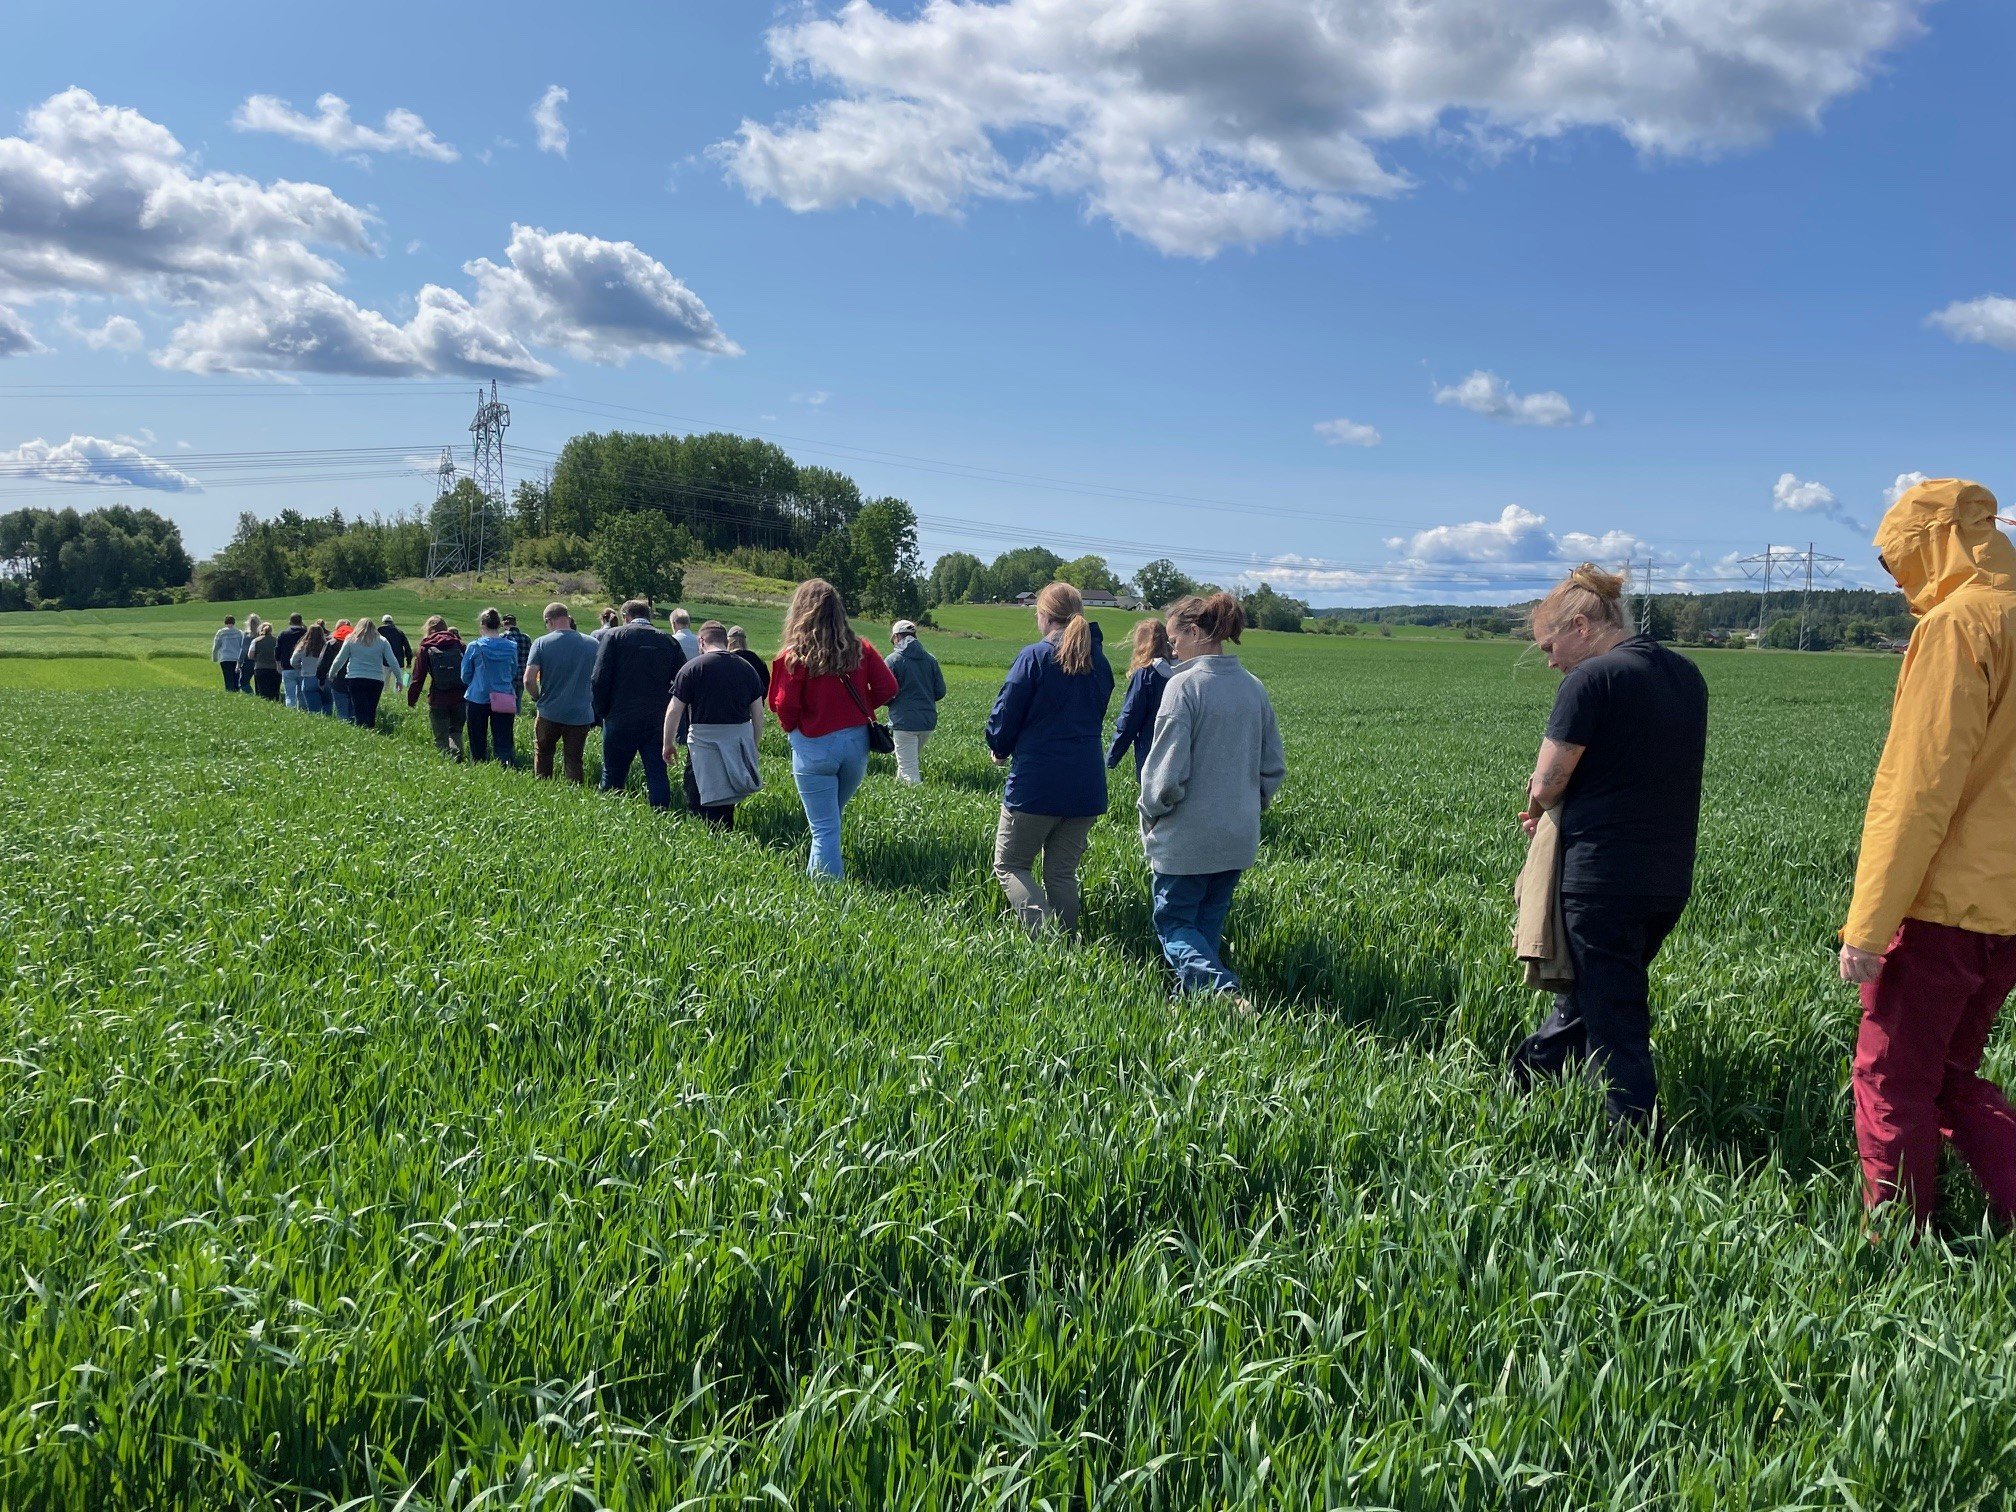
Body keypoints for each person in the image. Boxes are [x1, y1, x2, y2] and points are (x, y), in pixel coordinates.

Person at [1840, 478, 2016, 1229]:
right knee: (1948, 1077)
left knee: (1889, 1079)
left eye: (1896, 562)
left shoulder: (1959, 625)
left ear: (1931, 544)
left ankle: (1896, 1243)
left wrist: (1868, 929)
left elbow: (1917, 795)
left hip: (1945, 909)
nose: (1897, 580)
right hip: (2008, 914)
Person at [1508, 564, 1708, 1131]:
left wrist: (1540, 814)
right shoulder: (1685, 673)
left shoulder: (1591, 679)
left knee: (1614, 1017)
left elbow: (1546, 782)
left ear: (1580, 624)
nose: (1549, 660)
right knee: (1599, 994)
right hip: (1667, 874)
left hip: (1601, 875)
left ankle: (1633, 1141)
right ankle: (1522, 1078)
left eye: (1550, 645)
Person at [1137, 593, 1286, 1004]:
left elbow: (1164, 778)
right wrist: (1245, 806)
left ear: (1196, 631)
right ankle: (1201, 1011)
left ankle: (1225, 995)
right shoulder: (1254, 688)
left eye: (1174, 639)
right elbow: (1272, 767)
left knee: (1175, 924)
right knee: (1205, 927)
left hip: (1188, 838)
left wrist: (1150, 815)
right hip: (1238, 836)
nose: (1172, 649)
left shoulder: (1183, 686)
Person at [985, 582, 1115, 935]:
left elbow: (1007, 711)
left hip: (1037, 784)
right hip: (1086, 786)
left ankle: (1048, 944)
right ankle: (1069, 949)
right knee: (1060, 873)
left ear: (1044, 616)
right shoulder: (1099, 662)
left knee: (1010, 864)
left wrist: (999, 745)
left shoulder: (1035, 657)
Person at [768, 579, 896, 879]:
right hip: (855, 744)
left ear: (800, 610)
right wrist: (862, 707)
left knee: (824, 828)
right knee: (829, 823)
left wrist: (792, 731)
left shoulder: (794, 655)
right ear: (838, 610)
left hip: (813, 745)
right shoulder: (860, 648)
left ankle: (827, 898)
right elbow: (888, 687)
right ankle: (818, 886)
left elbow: (784, 705)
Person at [665, 620, 766, 829]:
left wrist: (668, 743)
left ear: (701, 641)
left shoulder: (692, 668)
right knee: (727, 797)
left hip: (702, 744)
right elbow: (758, 713)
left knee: (697, 795)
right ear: (725, 641)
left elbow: (674, 710)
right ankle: (726, 836)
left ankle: (703, 838)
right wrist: (753, 746)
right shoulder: (746, 668)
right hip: (736, 743)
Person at [591, 599, 684, 806]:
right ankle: (663, 817)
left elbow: (599, 678)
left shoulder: (614, 636)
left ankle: (608, 815)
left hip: (619, 715)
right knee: (657, 773)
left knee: (612, 774)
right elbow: (682, 681)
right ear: (649, 616)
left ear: (625, 617)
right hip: (656, 718)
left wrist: (603, 710)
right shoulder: (668, 641)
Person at [526, 601, 599, 783]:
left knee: (543, 754)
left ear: (549, 621)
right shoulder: (593, 644)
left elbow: (528, 680)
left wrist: (537, 698)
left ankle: (543, 791)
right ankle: (574, 795)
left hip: (549, 711)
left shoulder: (541, 643)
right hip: (581, 712)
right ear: (567, 618)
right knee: (574, 759)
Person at [1107, 619, 1176, 778]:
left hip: (1150, 754)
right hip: (1180, 754)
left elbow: (1130, 718)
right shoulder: (1180, 672)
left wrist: (1112, 756)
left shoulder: (1146, 675)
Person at [885, 618, 947, 785]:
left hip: (904, 723)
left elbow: (885, 693)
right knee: (906, 764)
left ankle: (917, 808)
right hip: (927, 722)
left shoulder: (893, 660)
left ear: (897, 637)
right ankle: (897, 797)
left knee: (909, 773)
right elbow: (940, 692)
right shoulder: (930, 659)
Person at [461, 608, 522, 765]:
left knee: (477, 740)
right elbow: (513, 671)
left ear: (482, 624)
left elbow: (465, 675)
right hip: (504, 696)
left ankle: (480, 765)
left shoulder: (475, 646)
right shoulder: (511, 646)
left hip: (478, 696)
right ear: (499, 625)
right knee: (504, 740)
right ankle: (506, 766)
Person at [407, 614, 467, 758]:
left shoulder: (425, 647)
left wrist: (412, 699)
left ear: (428, 629)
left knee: (441, 736)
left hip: (438, 698)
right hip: (460, 696)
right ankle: (458, 758)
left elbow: (418, 678)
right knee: (456, 731)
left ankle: (445, 763)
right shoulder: (459, 644)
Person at [327, 616, 400, 729]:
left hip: (355, 678)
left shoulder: (351, 639)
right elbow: (392, 661)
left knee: (359, 707)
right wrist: (399, 679)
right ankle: (370, 729)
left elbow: (340, 659)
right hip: (376, 679)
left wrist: (332, 673)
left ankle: (361, 730)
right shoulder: (382, 641)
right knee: (371, 709)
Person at [292, 623, 329, 715]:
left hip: (308, 677)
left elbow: (293, 661)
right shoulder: (326, 646)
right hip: (325, 678)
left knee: (313, 710)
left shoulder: (303, 646)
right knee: (327, 705)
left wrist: (301, 667)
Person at [320, 620, 354, 721]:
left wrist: (322, 678)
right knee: (353, 710)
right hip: (355, 678)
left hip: (337, 678)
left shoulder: (331, 642)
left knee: (342, 710)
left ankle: (344, 728)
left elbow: (323, 663)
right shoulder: (358, 642)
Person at [726, 625, 770, 698]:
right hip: (755, 703)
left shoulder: (726, 660)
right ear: (745, 641)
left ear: (729, 641)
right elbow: (765, 685)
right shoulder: (758, 661)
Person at [275, 613, 306, 709]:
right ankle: (303, 711)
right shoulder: (305, 632)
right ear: (301, 621)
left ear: (290, 622)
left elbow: (277, 650)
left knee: (289, 694)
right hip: (302, 667)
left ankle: (290, 710)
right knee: (302, 694)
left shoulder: (283, 634)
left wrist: (278, 664)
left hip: (287, 667)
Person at [501, 614, 533, 703]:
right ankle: (518, 716)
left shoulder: (502, 637)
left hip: (507, 677)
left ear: (503, 624)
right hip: (522, 676)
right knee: (517, 703)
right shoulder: (526, 638)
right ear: (515, 623)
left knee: (505, 705)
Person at [249, 619, 282, 700]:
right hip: (275, 669)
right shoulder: (277, 640)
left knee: (262, 692)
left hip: (260, 668)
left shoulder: (256, 641)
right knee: (275, 692)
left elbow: (250, 655)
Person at [211, 615, 247, 691]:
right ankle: (236, 693)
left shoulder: (221, 632)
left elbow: (216, 646)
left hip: (225, 658)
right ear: (234, 622)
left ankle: (229, 692)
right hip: (236, 658)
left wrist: (215, 658)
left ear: (225, 622)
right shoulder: (239, 632)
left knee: (228, 678)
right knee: (236, 679)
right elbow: (242, 646)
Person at [237, 614, 261, 696]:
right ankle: (259, 697)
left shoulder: (247, 635)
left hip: (248, 662)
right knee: (259, 685)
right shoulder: (261, 635)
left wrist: (239, 663)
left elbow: (243, 650)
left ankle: (251, 695)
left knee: (243, 683)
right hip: (260, 662)